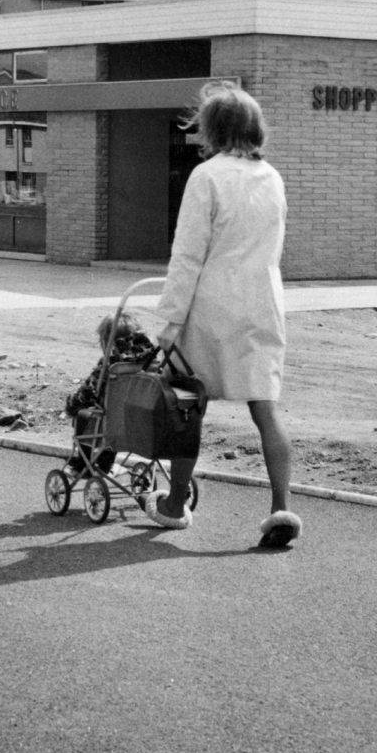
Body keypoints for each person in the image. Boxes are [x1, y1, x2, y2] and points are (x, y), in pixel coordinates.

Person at [141, 81, 300, 549]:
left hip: (213, 304)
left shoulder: (206, 177)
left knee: (189, 407)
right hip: (262, 302)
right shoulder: (272, 177)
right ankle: (280, 507)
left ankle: (173, 505)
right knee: (265, 408)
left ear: (211, 128)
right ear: (255, 127)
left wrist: (169, 324)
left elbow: (188, 256)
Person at [64, 311, 155, 475]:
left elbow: (88, 391)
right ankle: (107, 461)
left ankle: (84, 463)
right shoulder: (150, 362)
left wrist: (72, 405)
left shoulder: (111, 365)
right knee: (112, 419)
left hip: (111, 419)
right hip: (142, 418)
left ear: (107, 341)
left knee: (85, 416)